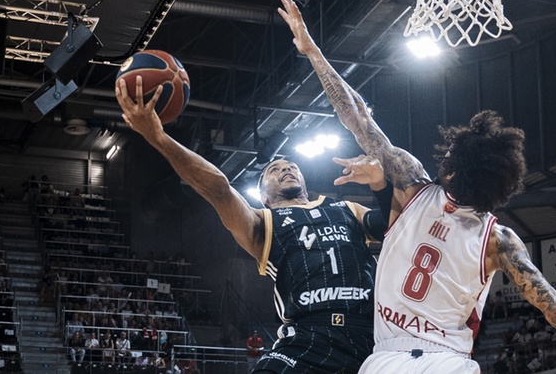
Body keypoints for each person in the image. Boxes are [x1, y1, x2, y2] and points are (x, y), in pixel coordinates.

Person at [279, 0, 556, 374]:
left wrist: (312, 51)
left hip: (386, 361)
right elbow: (553, 306)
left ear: (453, 169)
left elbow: (357, 116)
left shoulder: (412, 182)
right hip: (448, 364)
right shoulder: (498, 240)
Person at [116, 77, 395, 374]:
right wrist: (158, 137)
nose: (286, 168)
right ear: (263, 195)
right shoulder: (262, 222)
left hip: (371, 333)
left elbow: (392, 224)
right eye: (275, 169)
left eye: (291, 166)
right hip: (308, 336)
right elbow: (218, 189)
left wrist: (380, 185)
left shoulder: (345, 207)